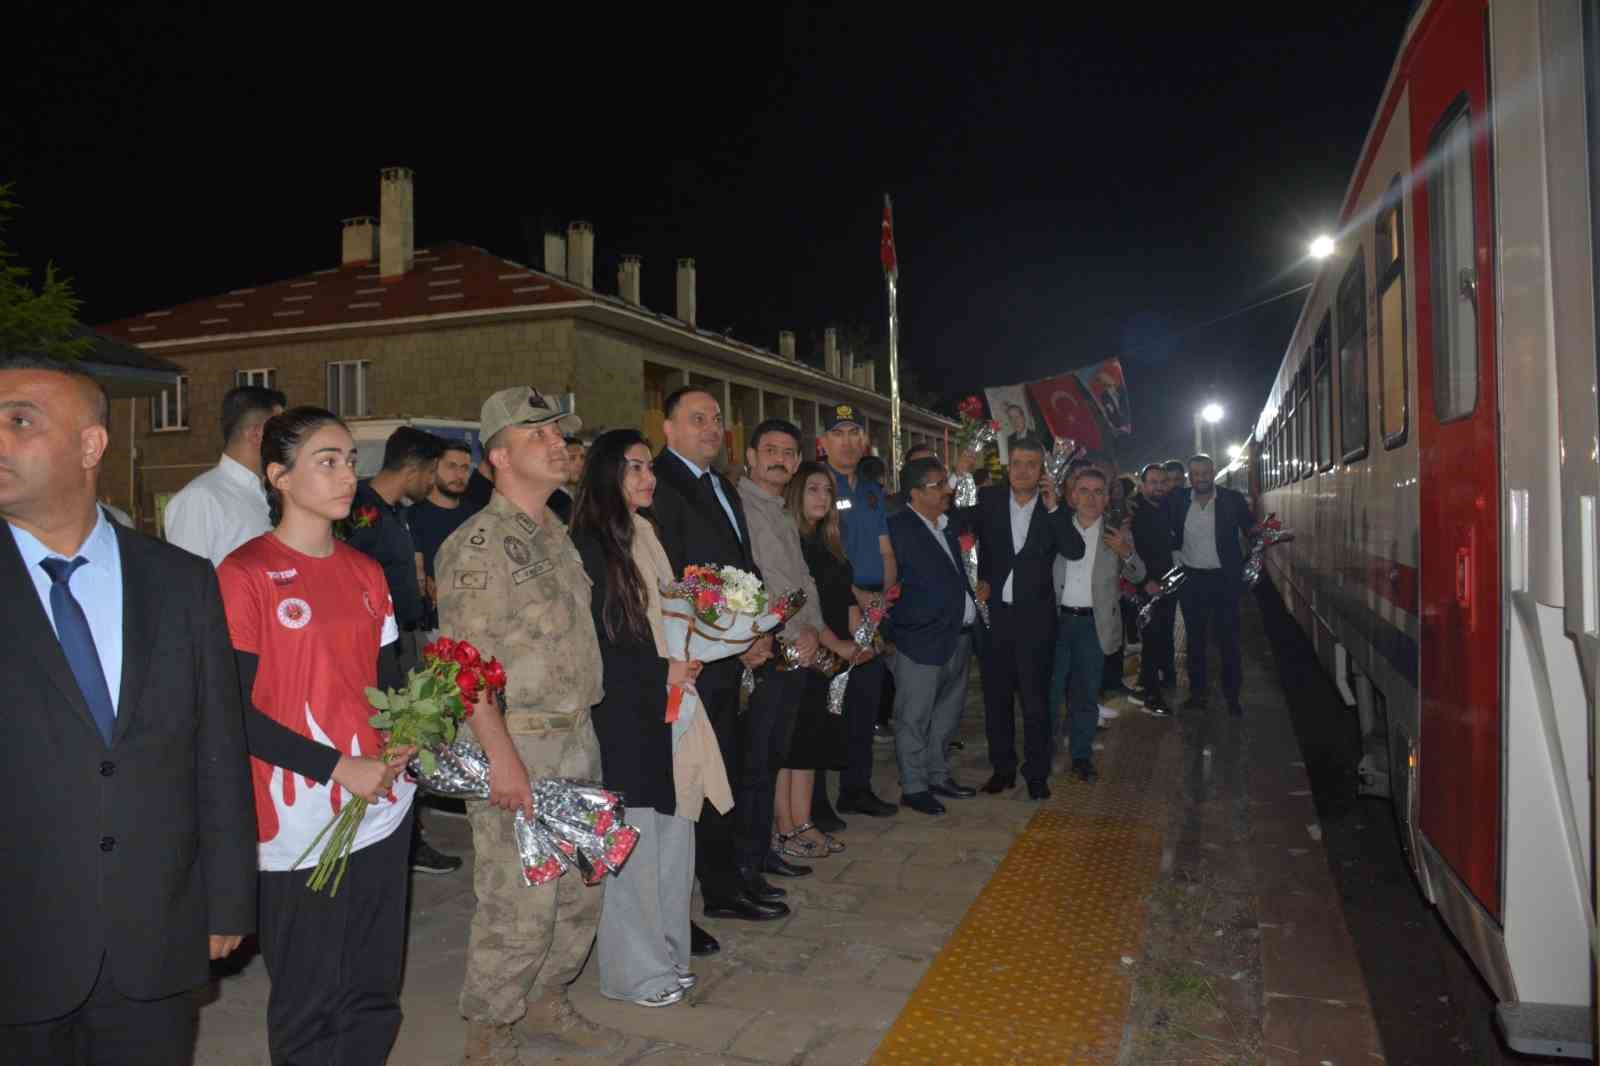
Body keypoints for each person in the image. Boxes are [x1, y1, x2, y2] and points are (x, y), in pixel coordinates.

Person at [0, 355, 256, 1065]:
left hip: (155, 934)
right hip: (17, 941)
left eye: (20, 421)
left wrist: (229, 897)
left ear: (90, 447)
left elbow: (217, 748)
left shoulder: (179, 580)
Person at [217, 406, 418, 1066]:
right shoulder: (244, 574)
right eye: (326, 461)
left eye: (350, 461)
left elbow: (387, 684)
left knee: (372, 987)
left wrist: (408, 732)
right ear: (278, 475)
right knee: (309, 995)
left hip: (383, 809)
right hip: (299, 817)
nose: (346, 476)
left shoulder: (367, 573)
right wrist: (337, 767)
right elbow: (232, 712)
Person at [436, 387, 617, 1063]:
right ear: (499, 457)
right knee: (519, 903)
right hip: (520, 740)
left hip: (576, 735)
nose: (557, 443)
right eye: (536, 433)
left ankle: (547, 1001)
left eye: (559, 433)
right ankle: (490, 1031)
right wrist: (502, 759)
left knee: (579, 888)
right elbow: (467, 669)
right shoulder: (478, 545)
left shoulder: (555, 531)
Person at [571, 429, 706, 1009]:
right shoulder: (591, 544)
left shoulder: (644, 532)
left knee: (675, 834)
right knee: (634, 840)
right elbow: (608, 643)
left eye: (649, 467)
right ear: (605, 475)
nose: (647, 478)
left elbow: (667, 614)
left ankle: (670, 954)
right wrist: (666, 673)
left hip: (666, 701)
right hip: (625, 709)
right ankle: (633, 972)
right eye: (633, 469)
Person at [648, 386, 786, 929]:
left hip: (731, 654)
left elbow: (740, 567)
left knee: (728, 772)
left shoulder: (720, 484)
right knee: (696, 782)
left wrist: (756, 630)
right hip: (693, 659)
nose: (711, 428)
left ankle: (728, 883)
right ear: (669, 428)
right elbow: (677, 580)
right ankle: (700, 899)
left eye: (717, 419)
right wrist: (729, 637)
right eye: (697, 418)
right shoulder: (661, 484)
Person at [344, 427, 459, 877]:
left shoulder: (393, 511)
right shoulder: (359, 510)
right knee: (390, 740)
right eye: (431, 471)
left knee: (409, 739)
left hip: (402, 639)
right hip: (374, 649)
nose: (433, 482)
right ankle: (399, 836)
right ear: (412, 467)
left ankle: (410, 832)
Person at [950, 436, 1085, 797]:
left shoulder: (1053, 507)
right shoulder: (990, 499)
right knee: (996, 698)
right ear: (1007, 468)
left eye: (1031, 464)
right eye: (1017, 464)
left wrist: (1055, 508)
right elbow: (957, 525)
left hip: (1036, 622)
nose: (1023, 471)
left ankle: (1037, 773)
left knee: (1036, 702)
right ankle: (1003, 768)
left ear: (1041, 470)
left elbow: (1074, 548)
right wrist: (960, 477)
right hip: (995, 618)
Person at [736, 419, 823, 888]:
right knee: (755, 760)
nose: (780, 459)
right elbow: (758, 581)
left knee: (773, 755)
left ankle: (765, 849)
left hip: (794, 644)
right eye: (770, 450)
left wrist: (812, 630)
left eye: (789, 453)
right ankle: (747, 861)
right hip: (764, 647)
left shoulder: (781, 511)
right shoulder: (739, 507)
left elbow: (803, 581)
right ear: (750, 455)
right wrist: (792, 631)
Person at [884, 454, 987, 815]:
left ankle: (938, 774)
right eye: (938, 485)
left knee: (947, 714)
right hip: (920, 638)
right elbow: (887, 583)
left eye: (946, 483)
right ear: (914, 492)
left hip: (958, 636)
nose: (947, 490)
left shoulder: (948, 525)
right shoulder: (897, 527)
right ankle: (913, 786)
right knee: (914, 715)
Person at [776, 462, 865, 858]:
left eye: (827, 491)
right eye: (813, 489)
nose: (822, 498)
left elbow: (841, 596)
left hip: (827, 654)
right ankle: (785, 828)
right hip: (800, 651)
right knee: (790, 746)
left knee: (809, 743)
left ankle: (804, 821)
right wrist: (832, 642)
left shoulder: (826, 543)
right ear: (796, 493)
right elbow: (800, 604)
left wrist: (862, 633)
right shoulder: (790, 540)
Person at [818, 403, 898, 821]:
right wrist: (856, 598)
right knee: (828, 704)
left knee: (866, 699)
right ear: (824, 442)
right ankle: (816, 802)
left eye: (854, 433)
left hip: (872, 604)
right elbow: (824, 554)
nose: (847, 442)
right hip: (836, 605)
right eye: (838, 433)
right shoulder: (818, 485)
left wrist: (882, 597)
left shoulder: (869, 488)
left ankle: (856, 788)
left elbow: (885, 548)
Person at [1049, 468, 1145, 784]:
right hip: (1057, 622)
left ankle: (1081, 756)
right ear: (1072, 495)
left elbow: (1138, 575)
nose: (1091, 497)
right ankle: (1045, 753)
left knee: (1085, 694)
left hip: (1093, 625)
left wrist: (1126, 554)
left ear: (1107, 497)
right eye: (1084, 490)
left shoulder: (1116, 533)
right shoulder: (1056, 526)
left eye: (1098, 491)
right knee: (1050, 692)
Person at [1168, 454, 1254, 716]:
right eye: (1196, 474)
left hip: (1224, 581)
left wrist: (1246, 563)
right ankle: (1197, 695)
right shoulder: (1178, 500)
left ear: (1213, 473)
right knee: (1195, 641)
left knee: (1228, 640)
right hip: (1192, 581)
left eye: (1206, 473)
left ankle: (1232, 697)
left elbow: (1250, 530)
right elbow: (1160, 522)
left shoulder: (1231, 499)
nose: (1201, 478)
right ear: (1190, 477)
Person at [162, 383, 286, 565]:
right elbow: (185, 584)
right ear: (257, 434)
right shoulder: (200, 499)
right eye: (282, 431)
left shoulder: (272, 493)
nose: (288, 441)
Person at [407, 440, 478, 640]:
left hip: (477, 619)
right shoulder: (412, 517)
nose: (459, 475)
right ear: (433, 468)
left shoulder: (478, 516)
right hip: (434, 627)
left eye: (465, 468)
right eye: (451, 466)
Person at [1131, 462, 1177, 715]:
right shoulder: (1134, 511)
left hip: (1166, 584)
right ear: (1143, 484)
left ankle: (1150, 683)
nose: (1159, 487)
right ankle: (1151, 695)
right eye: (1154, 483)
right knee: (1152, 639)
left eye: (1163, 482)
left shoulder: (1165, 507)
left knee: (1161, 637)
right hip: (1146, 587)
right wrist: (1144, 581)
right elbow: (1128, 552)